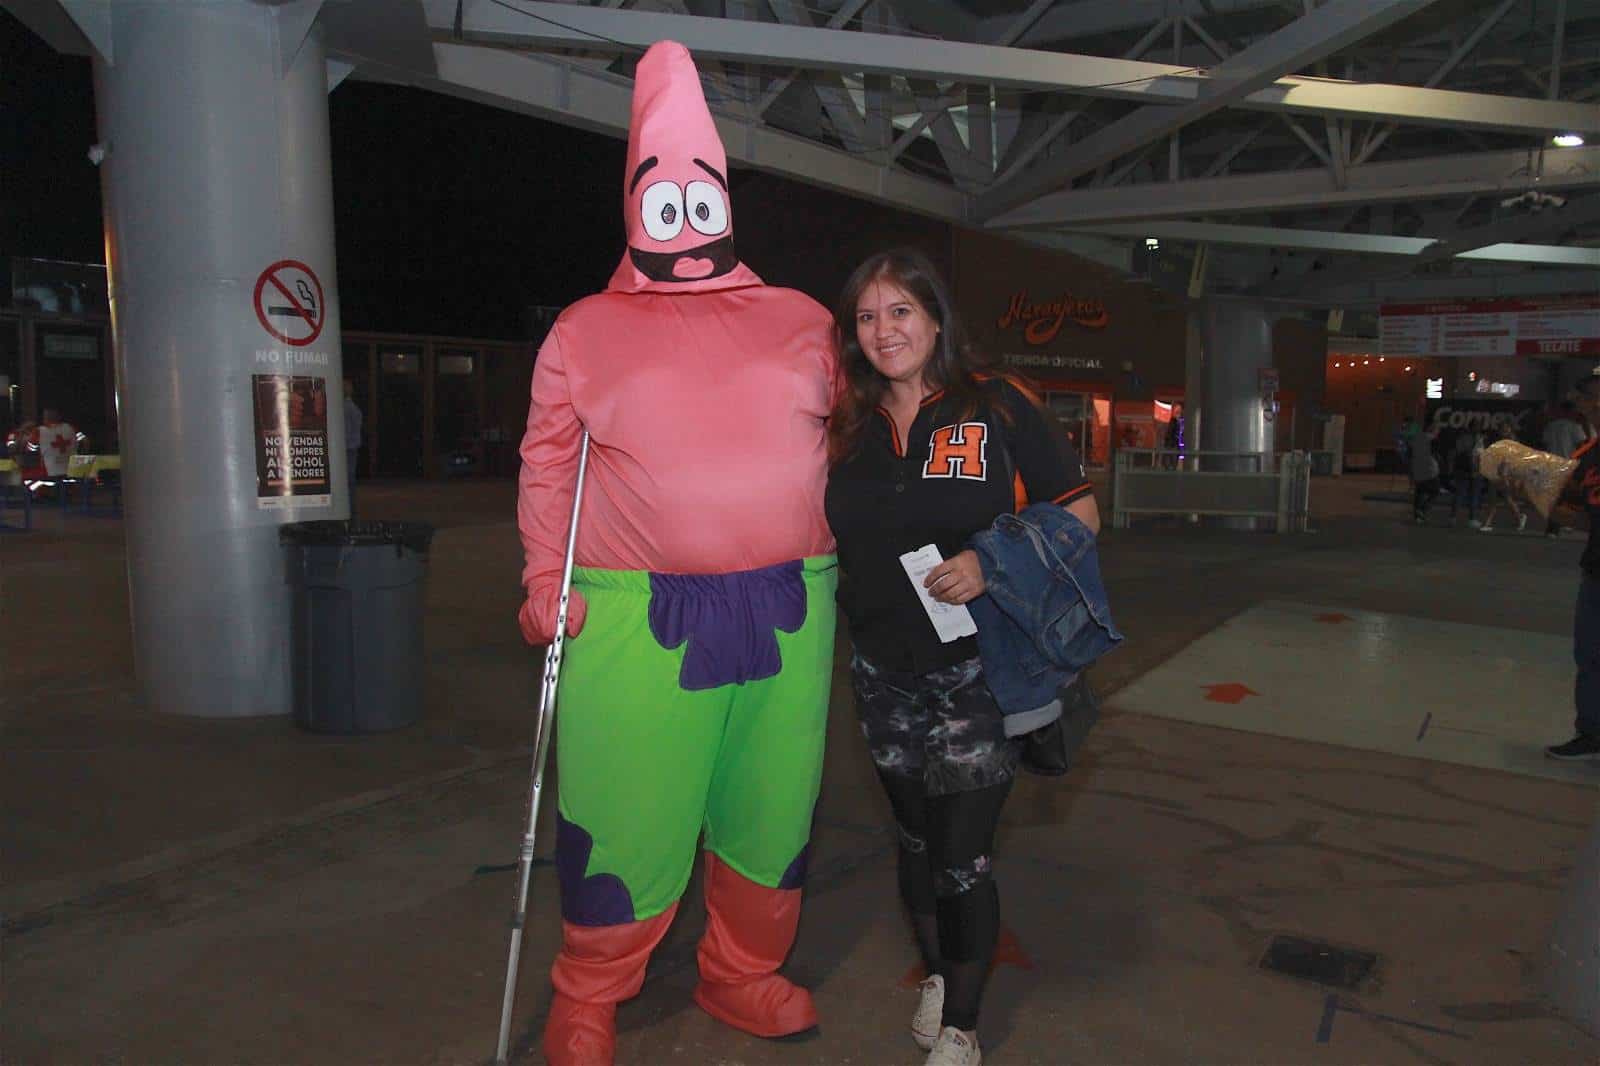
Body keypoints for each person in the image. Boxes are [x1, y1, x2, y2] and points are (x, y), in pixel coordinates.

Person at [515, 42, 838, 1066]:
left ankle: (739, 971)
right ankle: (592, 989)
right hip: (634, 619)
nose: (686, 226)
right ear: (634, 208)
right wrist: (540, 576)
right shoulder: (586, 330)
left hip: (792, 608)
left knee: (772, 801)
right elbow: (547, 465)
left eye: (702, 203)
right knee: (623, 806)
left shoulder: (803, 321)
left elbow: (873, 435)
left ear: (726, 203)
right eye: (666, 205)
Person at [824, 249, 1099, 1066]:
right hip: (880, 671)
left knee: (961, 853)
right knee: (912, 842)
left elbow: (1081, 511)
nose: (884, 331)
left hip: (979, 669)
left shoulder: (997, 406)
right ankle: (941, 972)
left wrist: (994, 562)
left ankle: (962, 1027)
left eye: (900, 311)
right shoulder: (848, 424)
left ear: (935, 318)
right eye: (868, 317)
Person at [1548, 375, 1600, 762]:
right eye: (1584, 399)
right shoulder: (1590, 453)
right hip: (1595, 573)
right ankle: (1591, 732)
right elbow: (1586, 519)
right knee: (1589, 657)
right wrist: (1544, 505)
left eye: (1590, 398)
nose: (1585, 405)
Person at [1543, 400, 1592, 537]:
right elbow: (1582, 446)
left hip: (1552, 464)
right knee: (1568, 496)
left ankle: (1553, 526)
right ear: (1571, 411)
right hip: (1568, 465)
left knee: (1555, 497)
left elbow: (1545, 443)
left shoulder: (1551, 426)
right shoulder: (1574, 427)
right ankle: (1560, 525)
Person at [1409, 422, 1441, 524]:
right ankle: (1422, 510)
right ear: (1433, 430)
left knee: (1420, 492)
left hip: (1420, 469)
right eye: (1437, 430)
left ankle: (1418, 515)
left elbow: (1413, 454)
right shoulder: (1433, 440)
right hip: (1429, 470)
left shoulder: (1419, 439)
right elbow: (1434, 455)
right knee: (1434, 490)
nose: (1438, 432)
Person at [342, 380, 363, 514]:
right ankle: (351, 509)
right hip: (352, 446)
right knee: (351, 480)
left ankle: (349, 509)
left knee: (347, 480)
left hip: (346, 447)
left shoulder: (343, 408)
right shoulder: (354, 408)